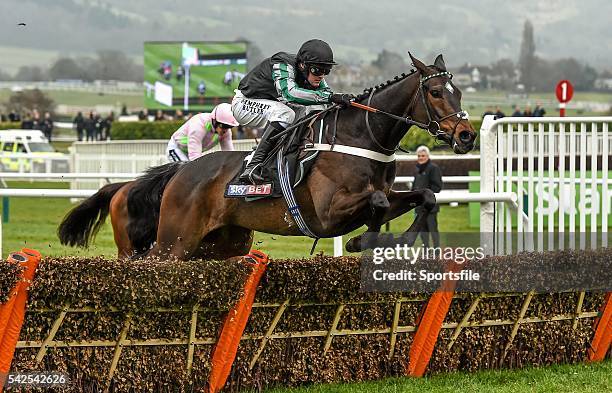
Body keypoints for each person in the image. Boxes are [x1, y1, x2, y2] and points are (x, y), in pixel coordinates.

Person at [231, 39, 354, 184]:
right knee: (286, 114)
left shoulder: (314, 75)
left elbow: (325, 98)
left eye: (326, 70)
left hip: (270, 106)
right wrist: (331, 97)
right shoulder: (282, 63)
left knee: (315, 108)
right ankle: (252, 166)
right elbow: (289, 94)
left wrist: (343, 102)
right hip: (244, 104)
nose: (321, 75)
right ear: (303, 65)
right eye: (317, 70)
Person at [167, 103, 237, 162]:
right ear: (215, 121)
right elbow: (195, 157)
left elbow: (229, 154)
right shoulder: (198, 125)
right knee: (188, 174)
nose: (226, 130)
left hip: (192, 153)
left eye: (230, 127)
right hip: (177, 149)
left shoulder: (226, 131)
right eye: (224, 126)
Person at [412, 146, 442, 248]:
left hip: (430, 207)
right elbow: (414, 187)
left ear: (428, 156)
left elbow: (437, 186)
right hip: (419, 207)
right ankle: (426, 253)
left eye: (423, 156)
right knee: (422, 232)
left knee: (433, 230)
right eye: (419, 156)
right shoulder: (417, 169)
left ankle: (437, 252)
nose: (421, 158)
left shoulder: (434, 168)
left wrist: (425, 197)